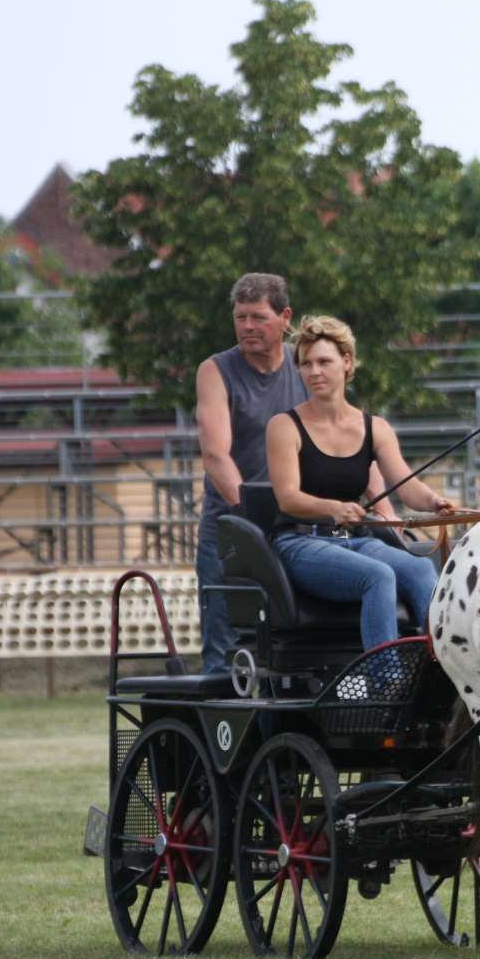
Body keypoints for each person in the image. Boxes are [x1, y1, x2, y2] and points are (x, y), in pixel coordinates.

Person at [266, 315, 451, 655]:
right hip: (302, 542)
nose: (314, 371)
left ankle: (438, 673)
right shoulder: (284, 426)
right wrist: (333, 509)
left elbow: (407, 486)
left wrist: (435, 502)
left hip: (358, 541)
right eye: (306, 364)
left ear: (346, 362)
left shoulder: (374, 427)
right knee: (377, 577)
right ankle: (387, 686)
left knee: (421, 568)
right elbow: (288, 498)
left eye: (324, 361)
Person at [195, 273, 307, 674]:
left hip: (295, 532)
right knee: (227, 661)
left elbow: (342, 436)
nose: (247, 327)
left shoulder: (306, 366)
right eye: (240, 317)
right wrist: (254, 516)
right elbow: (215, 455)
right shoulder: (215, 371)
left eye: (258, 317)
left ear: (284, 317)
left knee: (292, 653)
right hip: (230, 536)